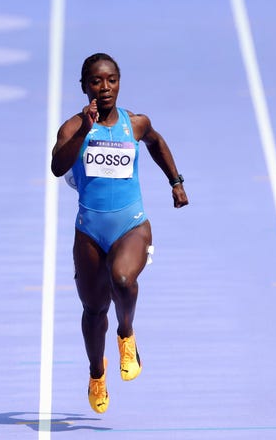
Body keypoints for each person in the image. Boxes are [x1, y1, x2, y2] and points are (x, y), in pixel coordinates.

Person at [51, 53, 188, 413]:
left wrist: (175, 182)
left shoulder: (136, 123)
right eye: (96, 81)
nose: (105, 87)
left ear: (119, 82)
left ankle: (126, 334)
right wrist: (84, 128)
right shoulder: (73, 128)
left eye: (111, 80)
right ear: (84, 87)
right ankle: (97, 373)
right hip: (90, 232)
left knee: (123, 279)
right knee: (94, 311)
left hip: (132, 224)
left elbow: (157, 143)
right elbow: (56, 167)